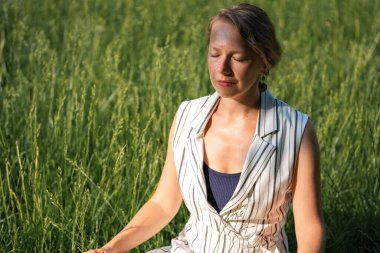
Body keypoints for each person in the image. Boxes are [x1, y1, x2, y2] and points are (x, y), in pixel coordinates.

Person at [85, 3, 325, 253]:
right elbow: (163, 204)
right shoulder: (187, 116)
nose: (223, 68)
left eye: (238, 57)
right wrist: (110, 248)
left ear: (264, 63)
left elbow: (310, 227)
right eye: (215, 54)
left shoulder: (295, 131)